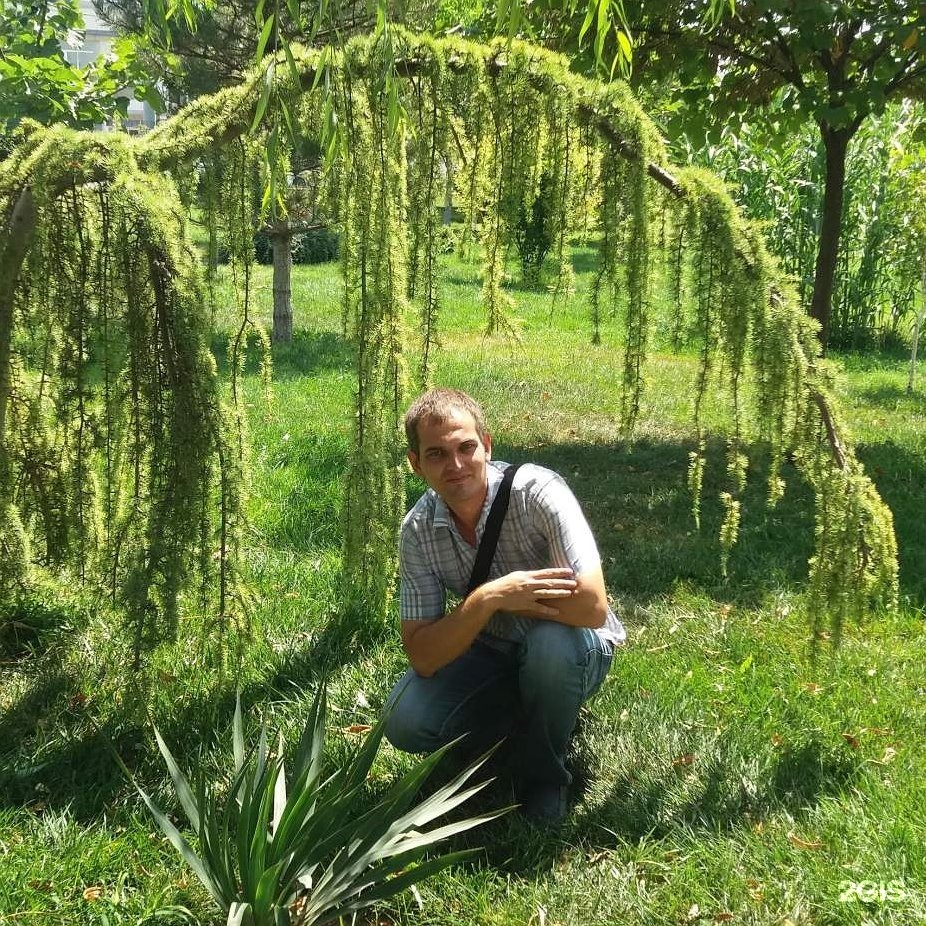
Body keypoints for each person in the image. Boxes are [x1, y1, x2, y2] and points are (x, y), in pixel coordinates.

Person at [384, 387, 625, 824]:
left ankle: (544, 777)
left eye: (466, 447)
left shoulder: (537, 492)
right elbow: (422, 655)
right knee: (405, 719)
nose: (455, 465)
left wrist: (508, 603)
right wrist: (489, 597)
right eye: (436, 454)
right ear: (415, 463)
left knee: (551, 648)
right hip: (491, 648)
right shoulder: (417, 530)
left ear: (488, 445)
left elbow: (591, 607)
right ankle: (522, 721)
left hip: (574, 647)